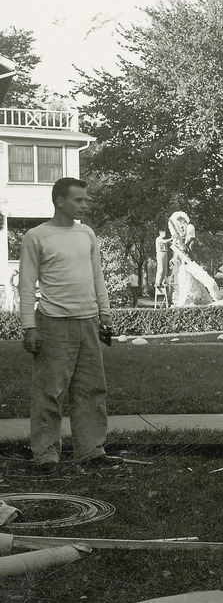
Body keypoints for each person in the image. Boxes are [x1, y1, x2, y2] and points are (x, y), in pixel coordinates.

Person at [18, 178, 114, 473]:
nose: (85, 205)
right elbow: (26, 284)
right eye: (79, 200)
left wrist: (105, 315)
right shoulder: (36, 236)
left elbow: (98, 277)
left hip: (87, 321)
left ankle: (90, 450)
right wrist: (29, 327)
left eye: (86, 200)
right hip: (53, 324)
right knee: (50, 391)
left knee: (91, 389)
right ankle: (46, 455)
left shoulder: (86, 233)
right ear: (60, 200)